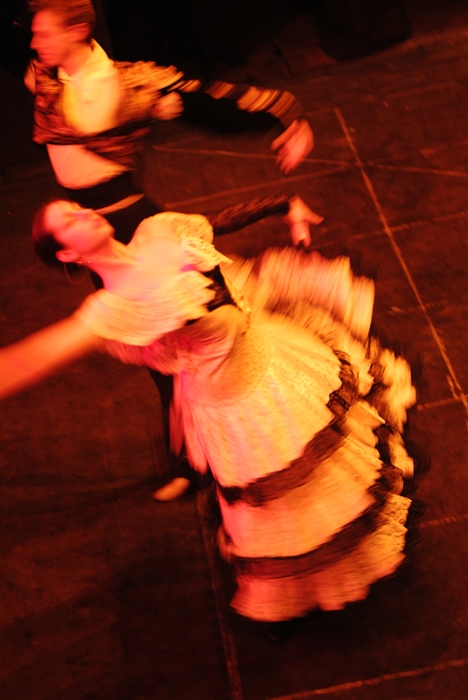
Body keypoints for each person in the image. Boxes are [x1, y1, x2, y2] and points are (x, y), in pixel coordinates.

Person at [0, 195, 419, 622]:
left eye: (75, 205)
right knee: (284, 496)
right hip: (238, 403)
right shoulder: (112, 309)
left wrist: (284, 204)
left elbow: (218, 221)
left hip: (270, 353)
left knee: (326, 466)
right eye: (69, 219)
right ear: (69, 253)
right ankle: (304, 586)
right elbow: (33, 358)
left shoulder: (157, 230)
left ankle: (352, 550)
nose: (83, 211)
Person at [24, 0, 316, 499]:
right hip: (89, 235)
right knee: (155, 356)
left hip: (132, 223)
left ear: (78, 30)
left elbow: (211, 104)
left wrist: (285, 116)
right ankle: (189, 458)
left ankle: (243, 444)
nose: (33, 43)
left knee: (199, 346)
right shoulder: (43, 73)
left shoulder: (133, 84)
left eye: (43, 33)